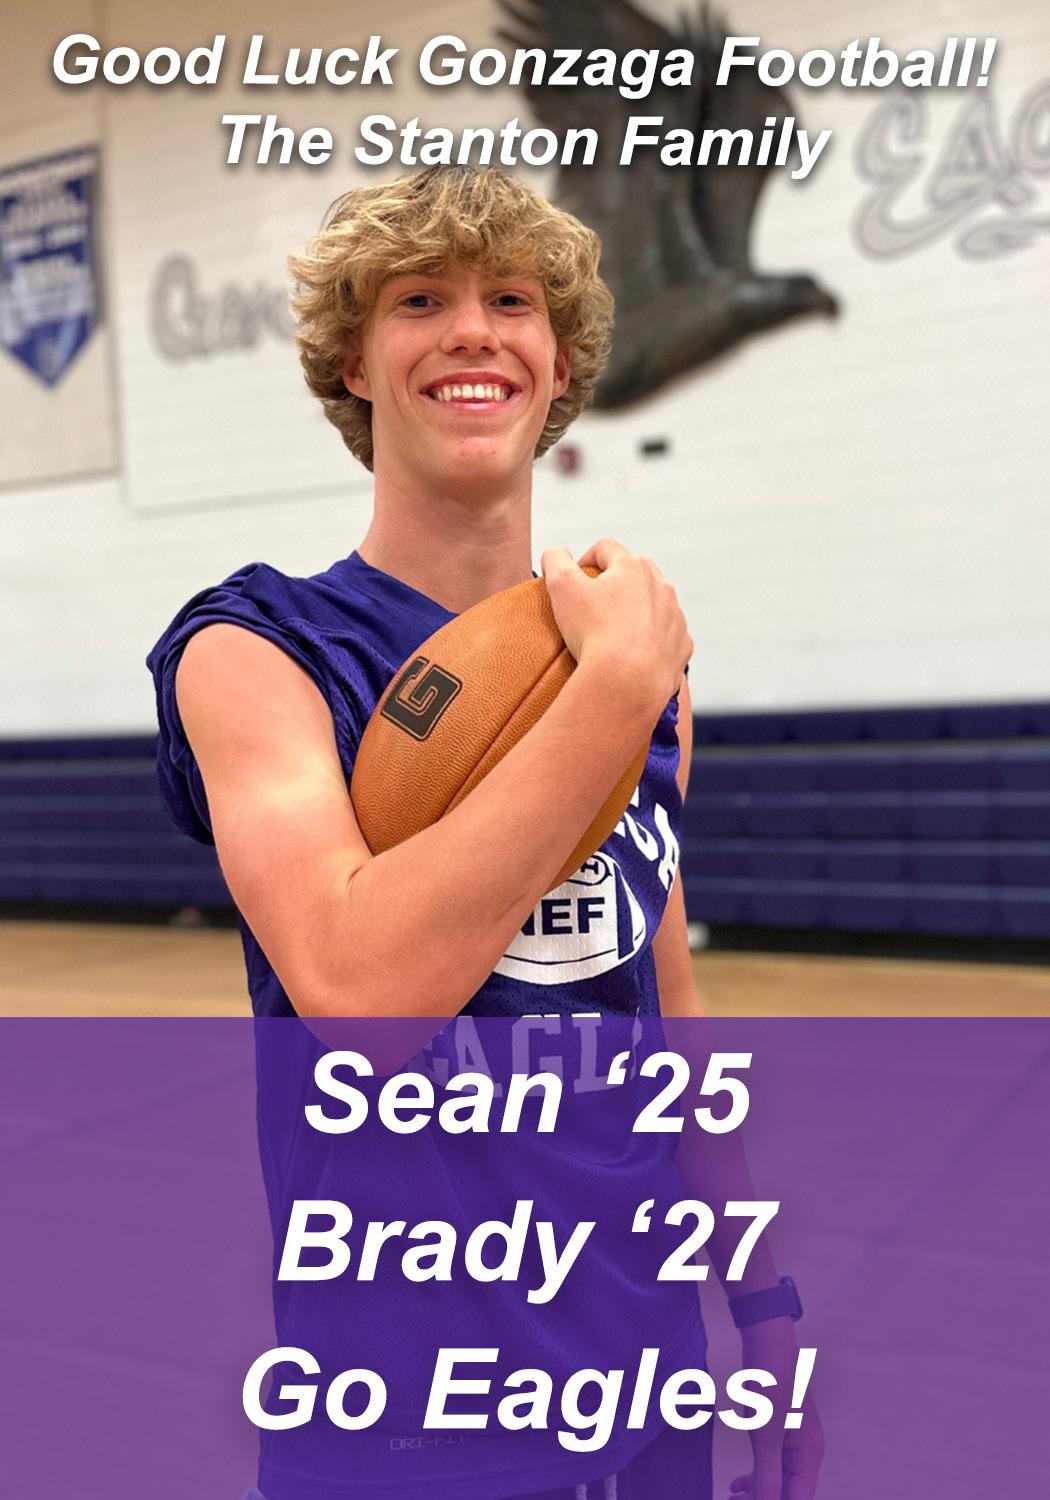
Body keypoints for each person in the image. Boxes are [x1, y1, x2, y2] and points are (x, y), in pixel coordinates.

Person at [147, 166, 821, 1500]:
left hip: (648, 1381)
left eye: (511, 301)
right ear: (353, 361)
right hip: (405, 1406)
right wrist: (610, 694)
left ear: (559, 363)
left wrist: (764, 1307)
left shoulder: (640, 658)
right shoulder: (258, 650)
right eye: (419, 301)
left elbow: (669, 1017)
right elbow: (361, 1000)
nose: (472, 330)